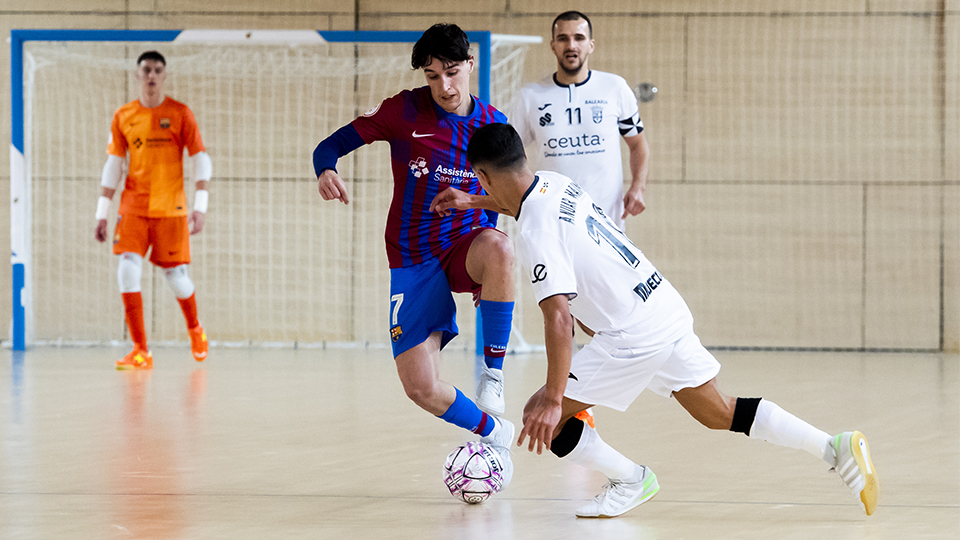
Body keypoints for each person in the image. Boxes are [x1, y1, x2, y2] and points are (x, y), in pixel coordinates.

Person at [461, 122, 879, 518]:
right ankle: (833, 446)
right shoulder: (554, 182)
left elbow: (557, 318)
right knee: (718, 412)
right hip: (661, 303)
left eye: (480, 184)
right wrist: (475, 200)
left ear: (482, 174)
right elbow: (546, 222)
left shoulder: (535, 231)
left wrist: (554, 399)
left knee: (544, 418)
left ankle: (631, 480)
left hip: (632, 335)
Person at [311, 24, 516, 477]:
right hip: (412, 259)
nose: (444, 86)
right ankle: (496, 434)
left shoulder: (495, 125)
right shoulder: (403, 110)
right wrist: (325, 168)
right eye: (432, 76)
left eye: (452, 72)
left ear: (470, 65)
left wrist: (472, 202)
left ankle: (493, 375)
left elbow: (515, 200)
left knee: (501, 251)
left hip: (466, 245)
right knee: (421, 387)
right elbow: (332, 144)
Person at [95, 50, 211, 371]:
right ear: (137, 74)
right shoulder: (123, 116)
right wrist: (101, 212)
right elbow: (114, 165)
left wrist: (200, 207)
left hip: (170, 209)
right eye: (146, 69)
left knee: (176, 278)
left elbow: (201, 159)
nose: (151, 76)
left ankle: (195, 328)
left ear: (164, 75)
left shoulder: (180, 113)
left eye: (157, 70)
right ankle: (140, 350)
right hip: (133, 208)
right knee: (127, 269)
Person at [511, 10, 650, 231]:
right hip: (553, 224)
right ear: (553, 45)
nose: (571, 45)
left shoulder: (615, 88)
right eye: (563, 38)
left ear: (591, 45)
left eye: (579, 38)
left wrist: (638, 187)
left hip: (607, 224)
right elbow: (512, 155)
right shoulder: (530, 97)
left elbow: (638, 144)